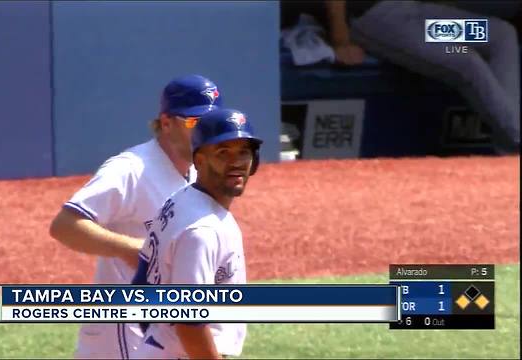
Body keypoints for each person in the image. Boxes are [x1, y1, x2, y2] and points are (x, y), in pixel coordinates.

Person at [48, 74, 223, 359]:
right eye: (194, 123)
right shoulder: (131, 169)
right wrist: (132, 249)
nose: (205, 131)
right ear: (166, 123)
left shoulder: (197, 173)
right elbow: (65, 225)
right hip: (120, 333)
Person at [282, 0, 520, 153]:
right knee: (466, 60)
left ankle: (509, 142)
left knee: (500, 35)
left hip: (415, 15)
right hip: (376, 19)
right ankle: (515, 137)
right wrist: (341, 41)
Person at [131, 108, 263, 359]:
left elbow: (141, 281)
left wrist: (157, 339)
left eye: (244, 152)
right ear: (199, 161)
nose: (236, 162)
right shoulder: (202, 231)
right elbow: (188, 321)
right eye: (223, 153)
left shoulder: (180, 200)